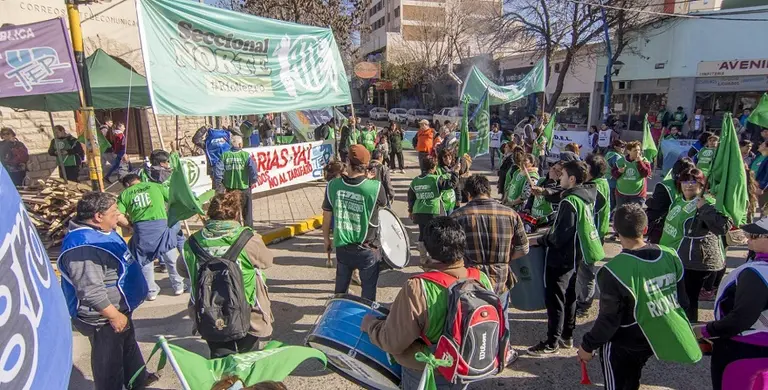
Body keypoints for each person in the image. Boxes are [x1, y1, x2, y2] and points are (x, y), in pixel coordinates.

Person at [361, 217, 498, 390]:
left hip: (429, 374)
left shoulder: (418, 287)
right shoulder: (482, 279)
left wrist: (371, 325)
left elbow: (393, 342)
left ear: (427, 250)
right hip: (467, 368)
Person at [578, 204, 700, 390]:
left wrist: (588, 346)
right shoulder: (670, 254)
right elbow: (682, 301)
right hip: (655, 337)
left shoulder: (613, 271)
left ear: (616, 230)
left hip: (625, 341)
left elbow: (609, 320)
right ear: (645, 228)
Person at [57, 192, 156, 389]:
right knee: (109, 361)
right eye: (114, 213)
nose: (118, 216)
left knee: (127, 346)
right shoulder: (83, 248)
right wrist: (113, 315)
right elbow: (90, 291)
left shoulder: (101, 229)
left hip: (121, 307)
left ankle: (138, 379)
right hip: (103, 317)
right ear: (97, 216)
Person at [179, 191, 274, 358]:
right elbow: (267, 261)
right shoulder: (248, 239)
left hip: (209, 312)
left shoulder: (192, 243)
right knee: (248, 358)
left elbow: (182, 269)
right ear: (236, 214)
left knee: (220, 359)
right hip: (248, 312)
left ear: (210, 214)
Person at [528, 160, 604, 355]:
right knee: (569, 296)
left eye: (562, 175)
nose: (559, 177)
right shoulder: (585, 195)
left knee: (555, 299)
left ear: (571, 179)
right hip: (576, 254)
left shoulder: (569, 202)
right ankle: (566, 336)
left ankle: (551, 342)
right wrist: (544, 193)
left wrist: (539, 240)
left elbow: (559, 237)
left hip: (562, 257)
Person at [452, 174, 528, 353]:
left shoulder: (457, 216)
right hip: (501, 277)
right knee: (501, 314)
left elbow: (452, 252)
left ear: (468, 194)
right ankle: (504, 351)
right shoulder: (510, 214)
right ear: (488, 190)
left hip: (470, 278)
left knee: (470, 317)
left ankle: (474, 354)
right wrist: (505, 259)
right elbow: (524, 249)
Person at [693, 217, 768, 390]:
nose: (748, 238)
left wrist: (705, 330)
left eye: (755, 235)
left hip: (744, 349)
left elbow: (742, 318)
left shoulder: (756, 273)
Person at [659, 168, 732, 323]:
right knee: (678, 297)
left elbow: (723, 227)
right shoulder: (679, 200)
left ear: (701, 184)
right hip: (674, 256)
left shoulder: (708, 202)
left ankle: (690, 329)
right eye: (685, 181)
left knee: (688, 299)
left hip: (694, 261)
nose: (689, 185)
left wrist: (704, 208)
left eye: (694, 181)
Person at [322, 145, 388, 301]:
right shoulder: (375, 187)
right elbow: (384, 207)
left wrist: (326, 240)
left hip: (342, 248)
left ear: (347, 162)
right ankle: (366, 317)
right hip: (367, 249)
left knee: (340, 293)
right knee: (368, 296)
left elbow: (326, 218)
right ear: (366, 166)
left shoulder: (333, 185)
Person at [117, 173, 185, 300]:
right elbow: (173, 199)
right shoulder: (155, 186)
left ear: (126, 184)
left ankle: (151, 292)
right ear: (139, 180)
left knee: (145, 260)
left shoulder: (124, 194)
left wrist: (129, 226)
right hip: (161, 225)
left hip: (141, 229)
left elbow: (118, 216)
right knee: (169, 254)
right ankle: (178, 286)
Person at [576, 154, 610, 317]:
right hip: (596, 232)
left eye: (586, 166)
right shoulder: (601, 182)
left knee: (586, 270)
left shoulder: (594, 187)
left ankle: (584, 304)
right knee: (583, 269)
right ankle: (581, 298)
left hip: (591, 234)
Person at [408, 155, 458, 265]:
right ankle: (436, 257)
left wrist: (410, 210)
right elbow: (452, 184)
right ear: (434, 167)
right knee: (436, 235)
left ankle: (423, 258)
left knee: (422, 234)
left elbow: (411, 197)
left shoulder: (415, 181)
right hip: (434, 212)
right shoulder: (436, 179)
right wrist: (454, 173)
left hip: (420, 212)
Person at [645, 157, 696, 244]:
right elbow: (655, 213)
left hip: (684, 234)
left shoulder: (696, 188)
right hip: (664, 231)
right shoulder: (664, 187)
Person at [214, 136, 258, 228]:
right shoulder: (246, 155)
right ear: (240, 144)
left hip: (230, 189)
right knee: (247, 212)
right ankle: (248, 230)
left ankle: (235, 230)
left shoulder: (225, 155)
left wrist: (219, 183)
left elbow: (218, 171)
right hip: (244, 187)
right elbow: (253, 170)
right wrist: (253, 180)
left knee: (233, 212)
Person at [612, 141, 652, 208]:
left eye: (639, 150)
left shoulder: (644, 161)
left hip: (638, 194)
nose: (638, 152)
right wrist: (619, 172)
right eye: (635, 150)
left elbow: (646, 174)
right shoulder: (620, 161)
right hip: (621, 194)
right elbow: (614, 175)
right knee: (621, 213)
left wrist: (639, 162)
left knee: (635, 213)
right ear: (628, 151)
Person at [527, 161, 563, 227]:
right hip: (533, 218)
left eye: (558, 171)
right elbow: (532, 197)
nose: (554, 172)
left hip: (547, 223)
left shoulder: (561, 187)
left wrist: (552, 180)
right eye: (553, 168)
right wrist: (528, 208)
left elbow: (548, 196)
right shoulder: (541, 180)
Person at [436, 148, 462, 214]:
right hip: (442, 203)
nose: (448, 159)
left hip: (452, 201)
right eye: (445, 157)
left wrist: (458, 198)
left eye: (449, 156)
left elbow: (457, 185)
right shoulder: (438, 170)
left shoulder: (453, 168)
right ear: (441, 158)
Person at [604, 139, 626, 211]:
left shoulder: (608, 154)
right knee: (613, 203)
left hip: (607, 180)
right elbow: (618, 169)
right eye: (622, 147)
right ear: (615, 147)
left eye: (624, 147)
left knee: (609, 202)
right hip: (614, 182)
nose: (624, 149)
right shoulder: (616, 156)